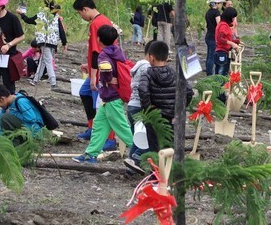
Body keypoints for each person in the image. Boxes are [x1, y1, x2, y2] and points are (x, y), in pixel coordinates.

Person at [72, 25, 134, 164]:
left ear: (99, 39)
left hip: (112, 97)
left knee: (121, 127)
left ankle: (140, 153)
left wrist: (106, 79)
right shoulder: (117, 51)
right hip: (108, 98)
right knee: (99, 125)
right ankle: (90, 154)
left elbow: (106, 70)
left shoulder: (104, 55)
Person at [72, 0, 118, 150]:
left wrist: (93, 76)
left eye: (80, 13)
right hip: (101, 65)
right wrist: (89, 64)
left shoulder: (96, 24)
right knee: (84, 93)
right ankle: (92, 128)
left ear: (85, 9)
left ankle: (110, 139)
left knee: (104, 104)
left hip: (102, 70)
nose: (81, 16)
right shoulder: (104, 19)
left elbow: (97, 52)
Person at [136, 41, 193, 154]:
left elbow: (143, 90)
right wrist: (180, 108)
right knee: (170, 147)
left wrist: (148, 110)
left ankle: (157, 170)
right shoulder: (175, 74)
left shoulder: (147, 74)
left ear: (151, 58)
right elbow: (189, 91)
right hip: (172, 117)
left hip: (155, 118)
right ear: (167, 57)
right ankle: (169, 170)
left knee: (154, 148)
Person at [17, 0, 67, 88]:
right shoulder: (56, 17)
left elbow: (28, 20)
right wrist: (64, 43)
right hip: (53, 42)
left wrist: (21, 14)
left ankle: (53, 82)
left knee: (47, 61)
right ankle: (35, 80)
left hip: (44, 41)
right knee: (43, 61)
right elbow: (61, 30)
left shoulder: (40, 15)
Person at [123, 41, 153, 175]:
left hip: (131, 105)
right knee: (147, 139)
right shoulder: (147, 67)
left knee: (138, 137)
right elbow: (145, 89)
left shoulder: (138, 66)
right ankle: (136, 158)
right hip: (141, 106)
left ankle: (130, 168)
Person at [215, 7, 241, 76]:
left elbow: (226, 39)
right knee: (221, 74)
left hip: (224, 52)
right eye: (233, 17)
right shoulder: (223, 25)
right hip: (221, 52)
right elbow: (220, 38)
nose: (233, 19)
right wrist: (232, 43)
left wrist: (236, 41)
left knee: (224, 72)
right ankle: (219, 86)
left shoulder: (225, 25)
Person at [205, 0, 225, 76]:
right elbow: (219, 24)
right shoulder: (216, 12)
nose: (220, 5)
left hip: (208, 34)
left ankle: (208, 71)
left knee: (209, 55)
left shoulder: (208, 12)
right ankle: (210, 73)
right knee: (211, 56)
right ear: (216, 4)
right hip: (214, 36)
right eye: (219, 3)